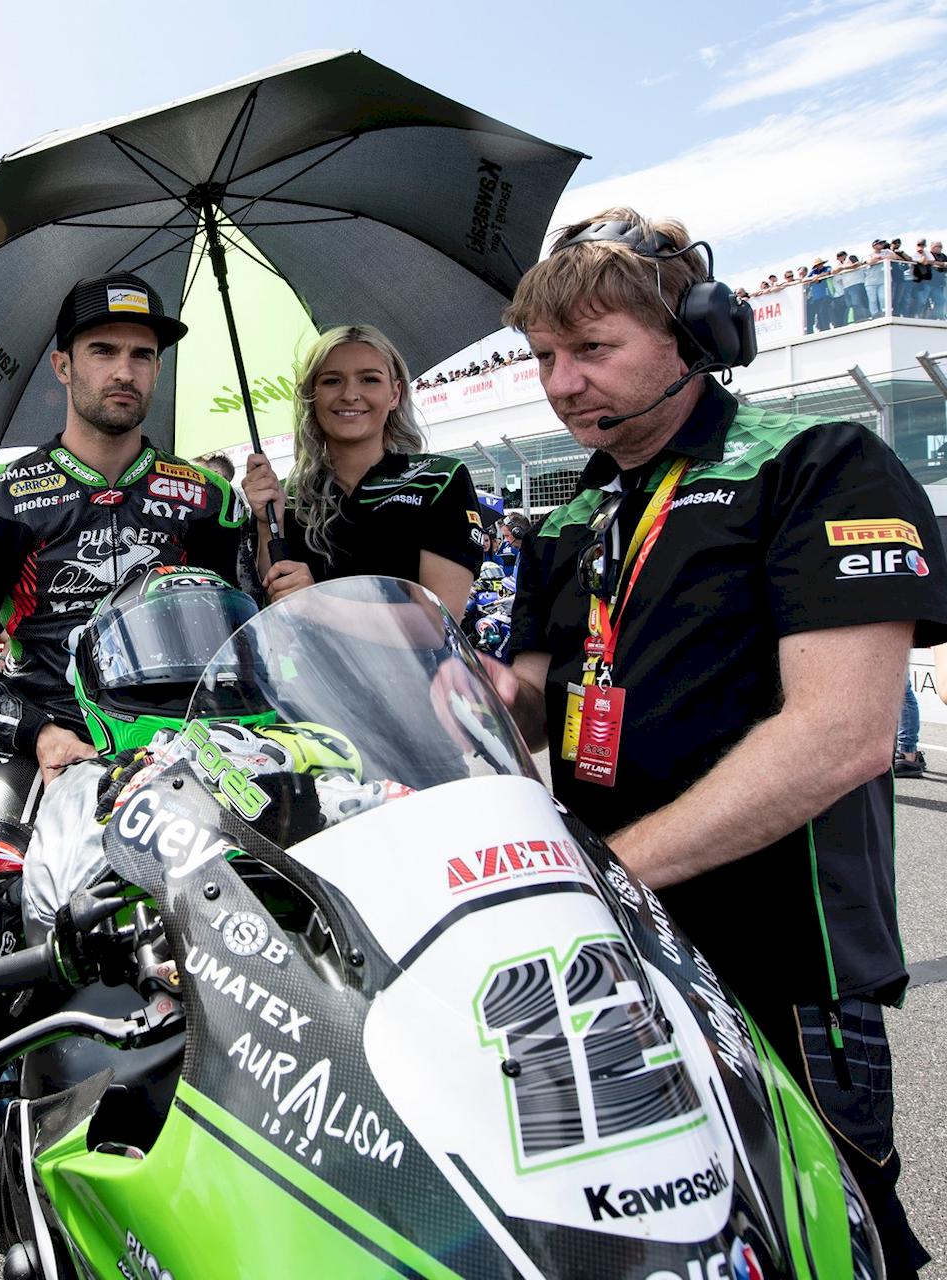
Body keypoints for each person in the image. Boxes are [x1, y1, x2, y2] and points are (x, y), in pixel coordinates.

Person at [488, 207, 942, 1278]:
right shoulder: (569, 521)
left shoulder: (823, 462)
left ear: (694, 333)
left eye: (592, 349)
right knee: (636, 1236)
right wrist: (434, 688)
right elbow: (533, 701)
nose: (561, 384)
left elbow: (842, 734)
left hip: (782, 960)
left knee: (829, 1239)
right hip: (613, 954)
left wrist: (613, 873)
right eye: (545, 357)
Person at [0, 270, 244, 1004]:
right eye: (103, 350)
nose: (124, 370)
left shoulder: (213, 501)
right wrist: (41, 737)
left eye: (142, 353)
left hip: (186, 752)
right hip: (49, 746)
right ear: (63, 365)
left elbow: (245, 649)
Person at [240, 324, 481, 618]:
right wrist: (269, 524)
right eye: (331, 381)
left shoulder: (438, 479)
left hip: (414, 666)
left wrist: (317, 602)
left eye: (369, 379)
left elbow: (439, 623)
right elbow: (277, 613)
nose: (350, 394)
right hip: (309, 665)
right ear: (311, 395)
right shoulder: (285, 495)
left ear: (395, 393)